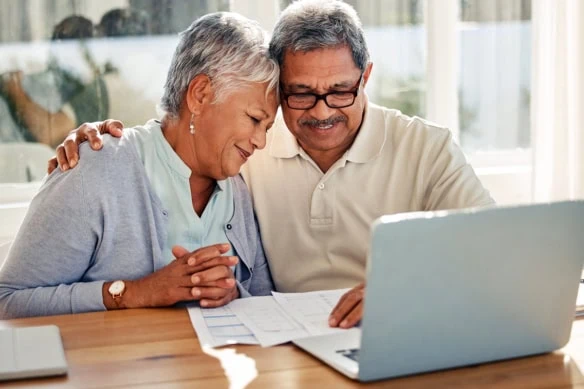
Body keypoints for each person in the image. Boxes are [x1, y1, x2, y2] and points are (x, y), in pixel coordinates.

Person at [48, 0, 494, 328]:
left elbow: (496, 252)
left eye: (340, 90)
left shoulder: (426, 147)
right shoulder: (249, 151)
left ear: (366, 78)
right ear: (279, 90)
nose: (321, 112)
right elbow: (182, 135)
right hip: (293, 345)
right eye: (300, 94)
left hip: (404, 328)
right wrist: (95, 139)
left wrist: (410, 291)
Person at [0, 12, 278, 319]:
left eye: (267, 127)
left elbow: (263, 305)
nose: (261, 141)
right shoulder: (95, 167)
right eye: (254, 119)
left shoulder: (237, 188)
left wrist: (232, 293)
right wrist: (137, 292)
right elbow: (9, 301)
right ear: (200, 95)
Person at [0, 15, 108, 147]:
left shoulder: (93, 89)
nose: (55, 50)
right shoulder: (50, 77)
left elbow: (51, 133)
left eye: (65, 42)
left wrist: (13, 89)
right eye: (56, 40)